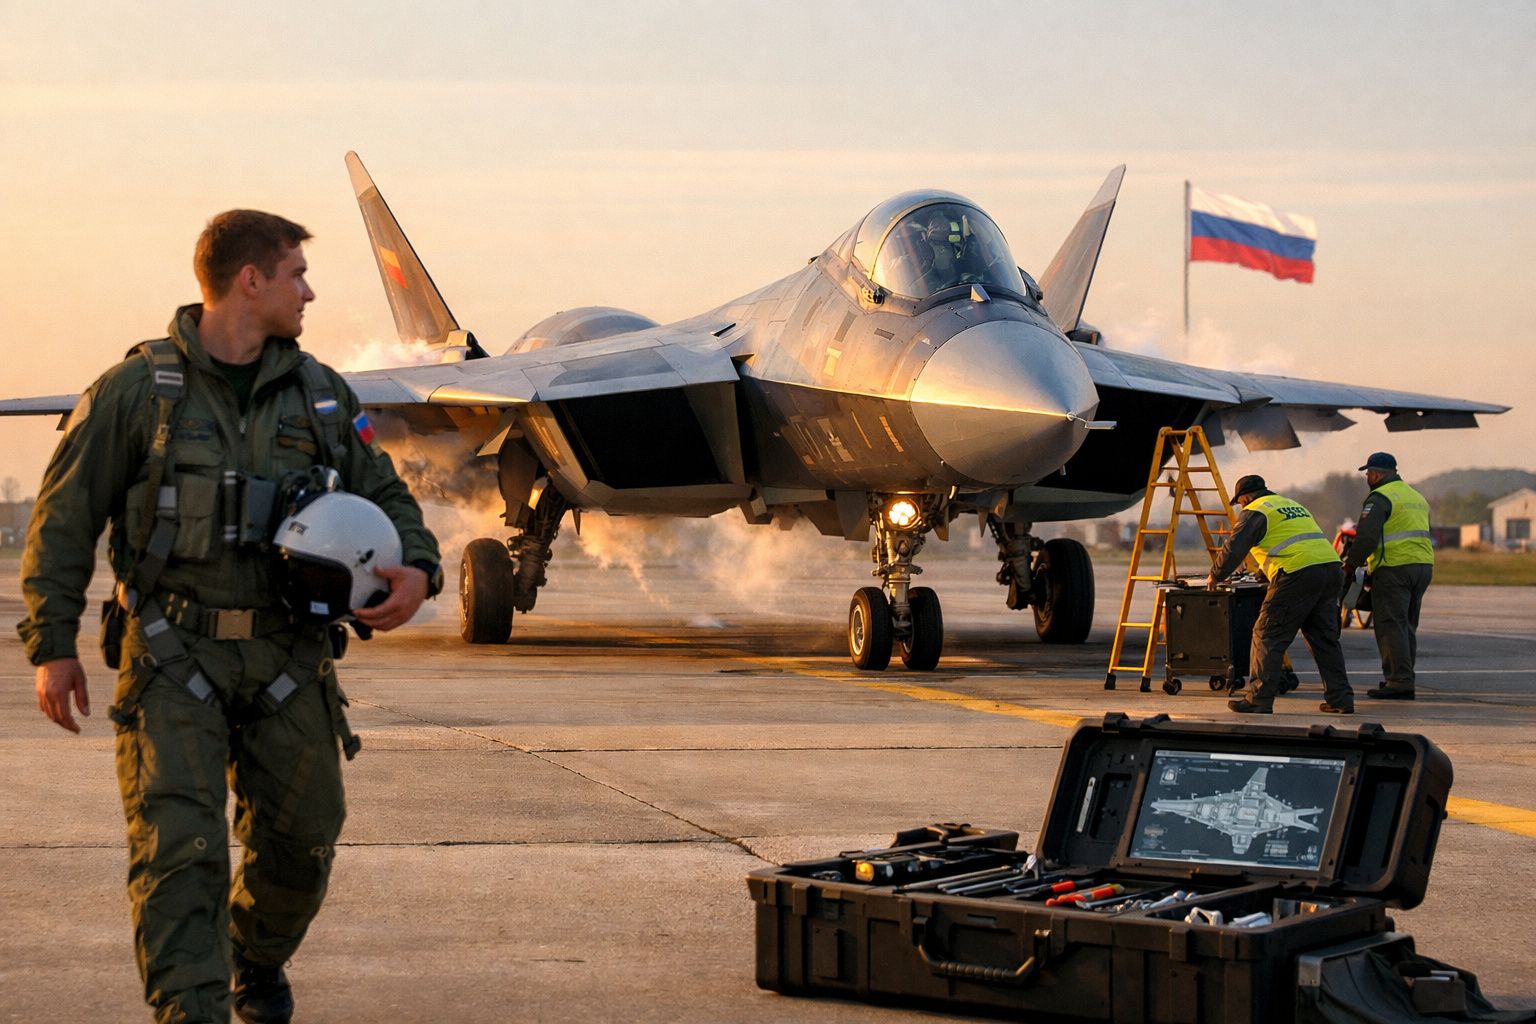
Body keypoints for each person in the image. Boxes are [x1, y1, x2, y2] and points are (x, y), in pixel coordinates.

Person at [18, 210, 443, 1024]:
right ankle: (194, 1010)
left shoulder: (322, 395)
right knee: (181, 854)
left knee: (304, 844)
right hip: (174, 658)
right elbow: (64, 518)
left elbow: (383, 489)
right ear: (250, 280)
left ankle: (254, 954)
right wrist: (52, 644)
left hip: (289, 660)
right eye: (296, 273)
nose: (308, 291)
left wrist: (418, 568)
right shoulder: (136, 391)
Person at [1205, 474, 1354, 715]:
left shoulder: (1255, 509)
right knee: (1324, 639)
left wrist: (1216, 575)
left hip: (1298, 573)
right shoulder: (1292, 505)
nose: (1241, 506)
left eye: (1240, 502)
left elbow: (1235, 547)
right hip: (1330, 569)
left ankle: (1258, 699)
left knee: (1266, 634)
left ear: (1244, 497)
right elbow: (1291, 542)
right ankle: (1341, 699)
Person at [1343, 452, 1434, 700]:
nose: (1367, 478)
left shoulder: (1379, 497)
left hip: (1395, 567)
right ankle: (1402, 676)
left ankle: (1399, 681)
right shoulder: (1416, 496)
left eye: (1368, 474)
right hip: (1423, 566)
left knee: (1390, 624)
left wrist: (1351, 565)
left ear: (1376, 474)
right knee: (1406, 625)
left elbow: (1367, 537)